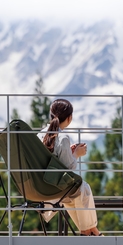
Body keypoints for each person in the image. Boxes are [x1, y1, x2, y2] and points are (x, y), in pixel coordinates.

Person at [40, 98, 103, 236]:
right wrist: (76, 155)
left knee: (74, 195)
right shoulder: (62, 138)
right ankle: (89, 232)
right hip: (54, 190)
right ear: (69, 118)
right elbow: (67, 171)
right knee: (82, 188)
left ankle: (91, 232)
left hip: (39, 188)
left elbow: (51, 160)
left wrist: (67, 151)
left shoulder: (40, 135)